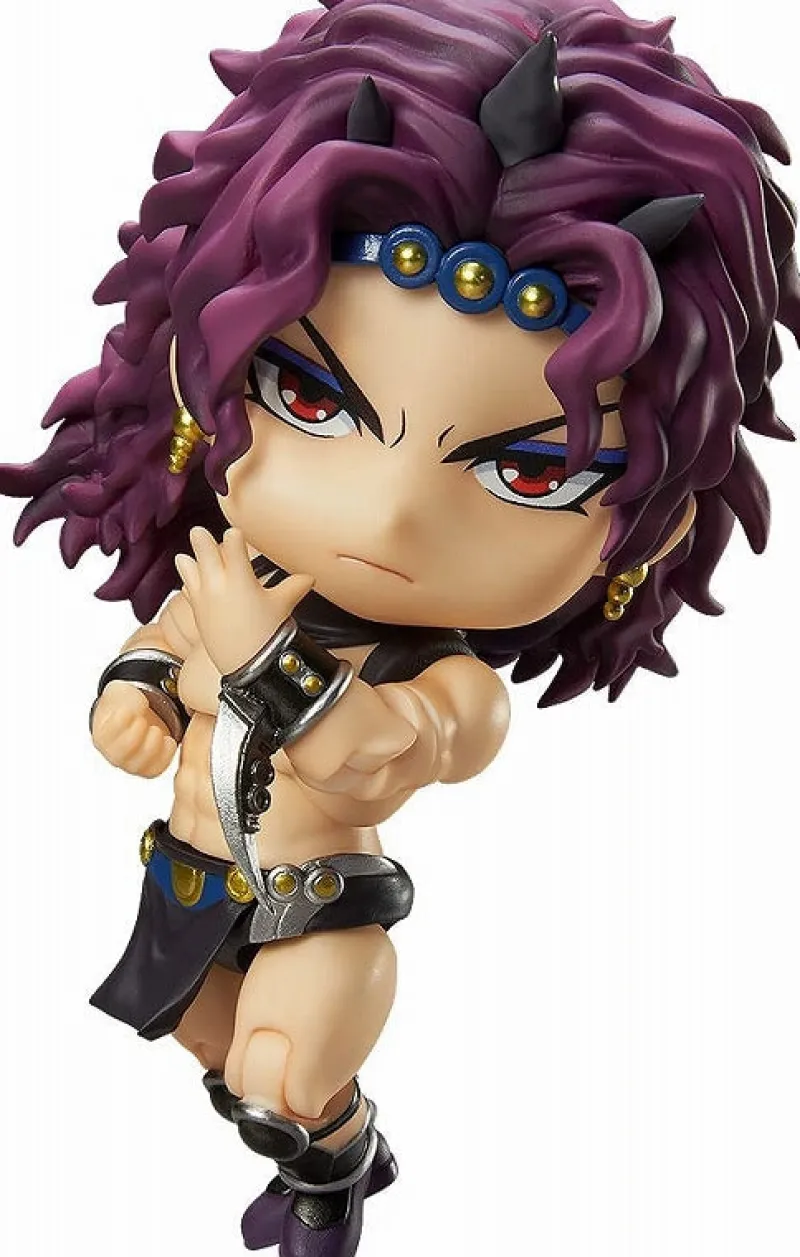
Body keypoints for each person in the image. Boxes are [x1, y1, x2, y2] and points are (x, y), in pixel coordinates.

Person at [1, 1, 797, 1254]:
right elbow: (160, 647)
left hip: (321, 907)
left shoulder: (448, 686)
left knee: (277, 1071)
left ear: (641, 531)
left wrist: (254, 654)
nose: (386, 514)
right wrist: (137, 688)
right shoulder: (233, 572)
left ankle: (329, 1179)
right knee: (215, 1055)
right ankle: (333, 1154)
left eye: (526, 472)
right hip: (186, 881)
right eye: (312, 395)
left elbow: (361, 761)